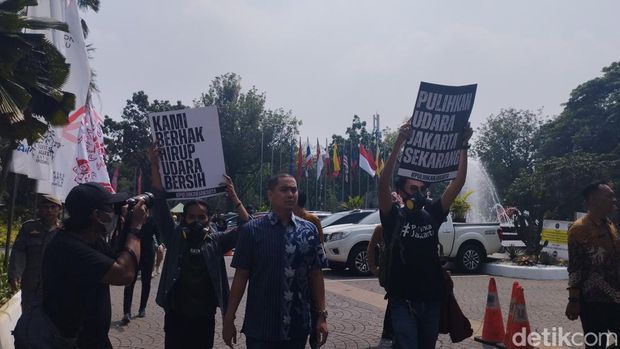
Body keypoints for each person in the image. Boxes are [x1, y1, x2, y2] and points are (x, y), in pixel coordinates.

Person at [378, 122, 472, 349]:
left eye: (422, 190)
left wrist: (464, 145)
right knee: (407, 343)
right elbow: (383, 184)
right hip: (402, 300)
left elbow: (457, 183)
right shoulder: (393, 217)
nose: (418, 194)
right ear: (401, 192)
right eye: (413, 190)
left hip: (432, 299)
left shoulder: (433, 212)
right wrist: (399, 142)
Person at [148, 145, 250, 349]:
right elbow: (159, 201)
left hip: (205, 316)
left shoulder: (217, 240)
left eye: (201, 217)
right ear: (184, 219)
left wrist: (234, 197)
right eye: (191, 217)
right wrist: (154, 164)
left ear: (209, 219)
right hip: (176, 315)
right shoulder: (174, 236)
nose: (196, 221)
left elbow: (249, 227)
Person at [223, 173, 329, 349]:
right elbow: (241, 276)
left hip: (297, 327)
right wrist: (229, 318)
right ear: (270, 194)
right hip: (261, 327)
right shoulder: (252, 231)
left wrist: (322, 315)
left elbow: (316, 274)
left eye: (293, 190)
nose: (290, 194)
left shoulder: (309, 230)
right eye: (284, 189)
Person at [40, 182, 147, 349]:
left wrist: (126, 223)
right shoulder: (67, 247)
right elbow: (124, 274)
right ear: (97, 215)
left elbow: (118, 257)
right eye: (110, 208)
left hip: (93, 338)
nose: (113, 212)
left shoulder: (91, 240)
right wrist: (136, 227)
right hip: (72, 342)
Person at [565, 180, 619, 349]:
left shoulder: (609, 225)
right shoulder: (579, 228)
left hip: (616, 297)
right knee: (596, 345)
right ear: (593, 200)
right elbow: (575, 267)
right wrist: (573, 300)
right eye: (609, 196)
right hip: (593, 301)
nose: (614, 200)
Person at [8, 194, 62, 312]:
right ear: (40, 209)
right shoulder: (28, 228)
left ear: (59, 209)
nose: (49, 210)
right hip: (31, 284)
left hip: (55, 285)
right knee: (28, 317)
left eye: (53, 207)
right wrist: (15, 273)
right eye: (45, 207)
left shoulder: (64, 231)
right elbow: (18, 251)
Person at [292, 191, 325, 349]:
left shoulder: (311, 220)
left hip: (309, 274)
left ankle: (314, 341)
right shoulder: (286, 218)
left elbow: (319, 245)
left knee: (313, 309)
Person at [121, 215, 160, 324]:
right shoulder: (132, 218)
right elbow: (124, 233)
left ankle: (142, 308)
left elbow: (158, 233)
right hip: (133, 252)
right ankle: (126, 312)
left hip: (148, 252)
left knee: (146, 282)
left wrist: (160, 244)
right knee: (129, 281)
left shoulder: (153, 219)